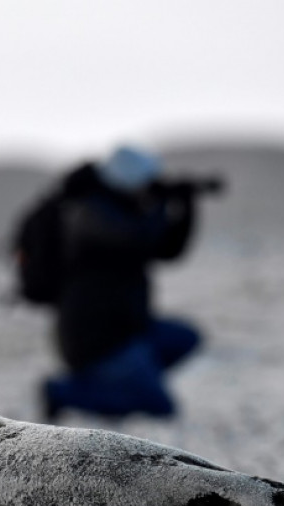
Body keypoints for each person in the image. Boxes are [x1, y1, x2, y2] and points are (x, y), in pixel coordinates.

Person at [15, 146, 205, 423]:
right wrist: (162, 203)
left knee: (185, 338)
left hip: (130, 329)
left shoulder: (122, 211)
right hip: (97, 339)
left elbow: (168, 249)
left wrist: (186, 206)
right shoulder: (89, 212)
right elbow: (140, 237)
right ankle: (64, 392)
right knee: (160, 406)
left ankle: (118, 383)